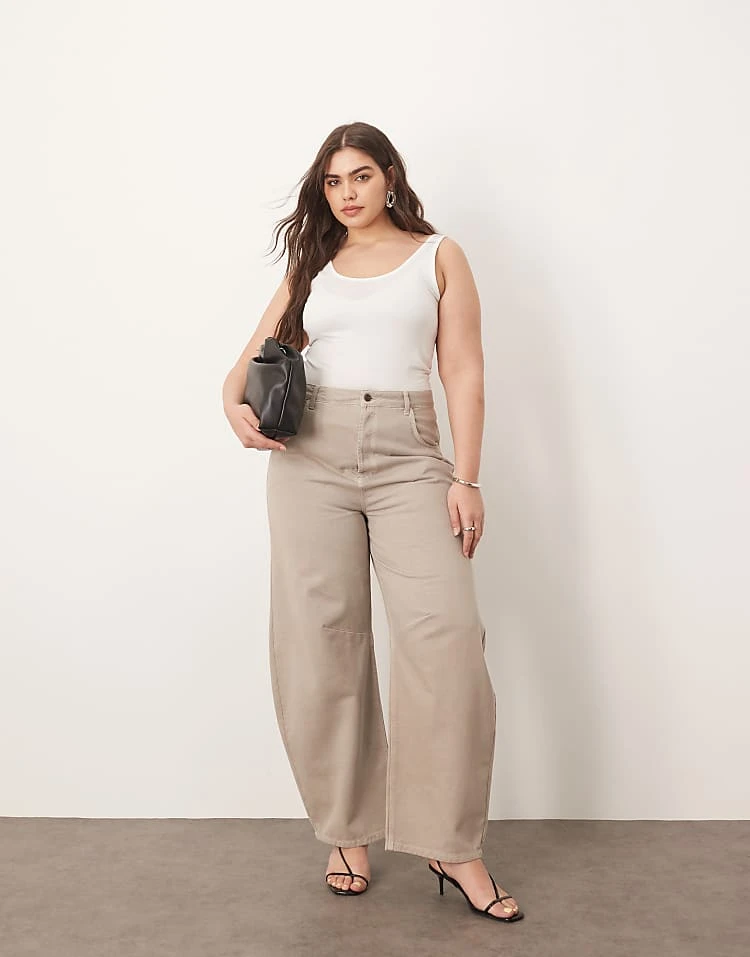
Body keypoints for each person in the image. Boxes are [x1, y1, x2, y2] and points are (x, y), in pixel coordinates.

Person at [222, 122, 524, 923]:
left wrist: (466, 476)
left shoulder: (438, 256)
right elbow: (248, 360)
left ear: (390, 175)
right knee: (321, 640)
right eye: (333, 182)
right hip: (309, 456)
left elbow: (463, 368)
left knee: (446, 636)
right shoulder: (314, 263)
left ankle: (450, 843)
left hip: (409, 452)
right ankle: (348, 831)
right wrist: (231, 403)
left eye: (360, 175)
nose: (347, 193)